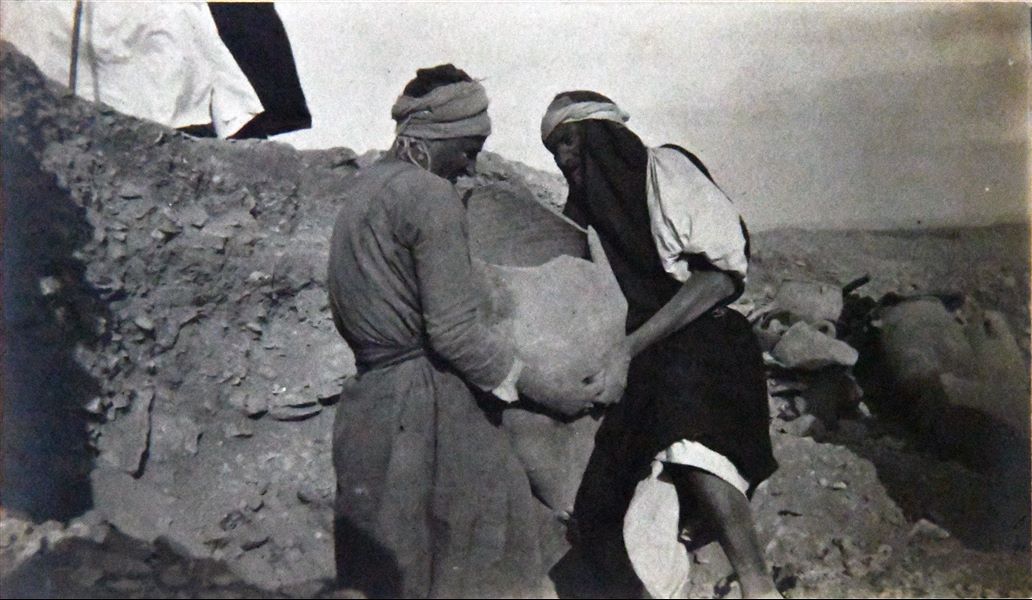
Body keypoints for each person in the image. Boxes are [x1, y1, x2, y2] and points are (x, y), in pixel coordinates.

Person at [327, 66, 603, 598]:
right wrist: (547, 391)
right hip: (427, 411)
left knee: (387, 572)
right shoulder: (430, 197)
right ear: (433, 138)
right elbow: (456, 333)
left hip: (369, 408)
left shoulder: (364, 192)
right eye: (469, 147)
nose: (472, 164)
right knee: (477, 565)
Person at [540, 91, 781, 598]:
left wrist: (628, 350)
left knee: (689, 434)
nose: (562, 159)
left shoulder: (666, 172)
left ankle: (758, 586)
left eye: (567, 141)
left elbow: (719, 277)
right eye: (552, 151)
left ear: (601, 134)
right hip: (645, 355)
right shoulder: (584, 218)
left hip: (705, 342)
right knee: (609, 505)